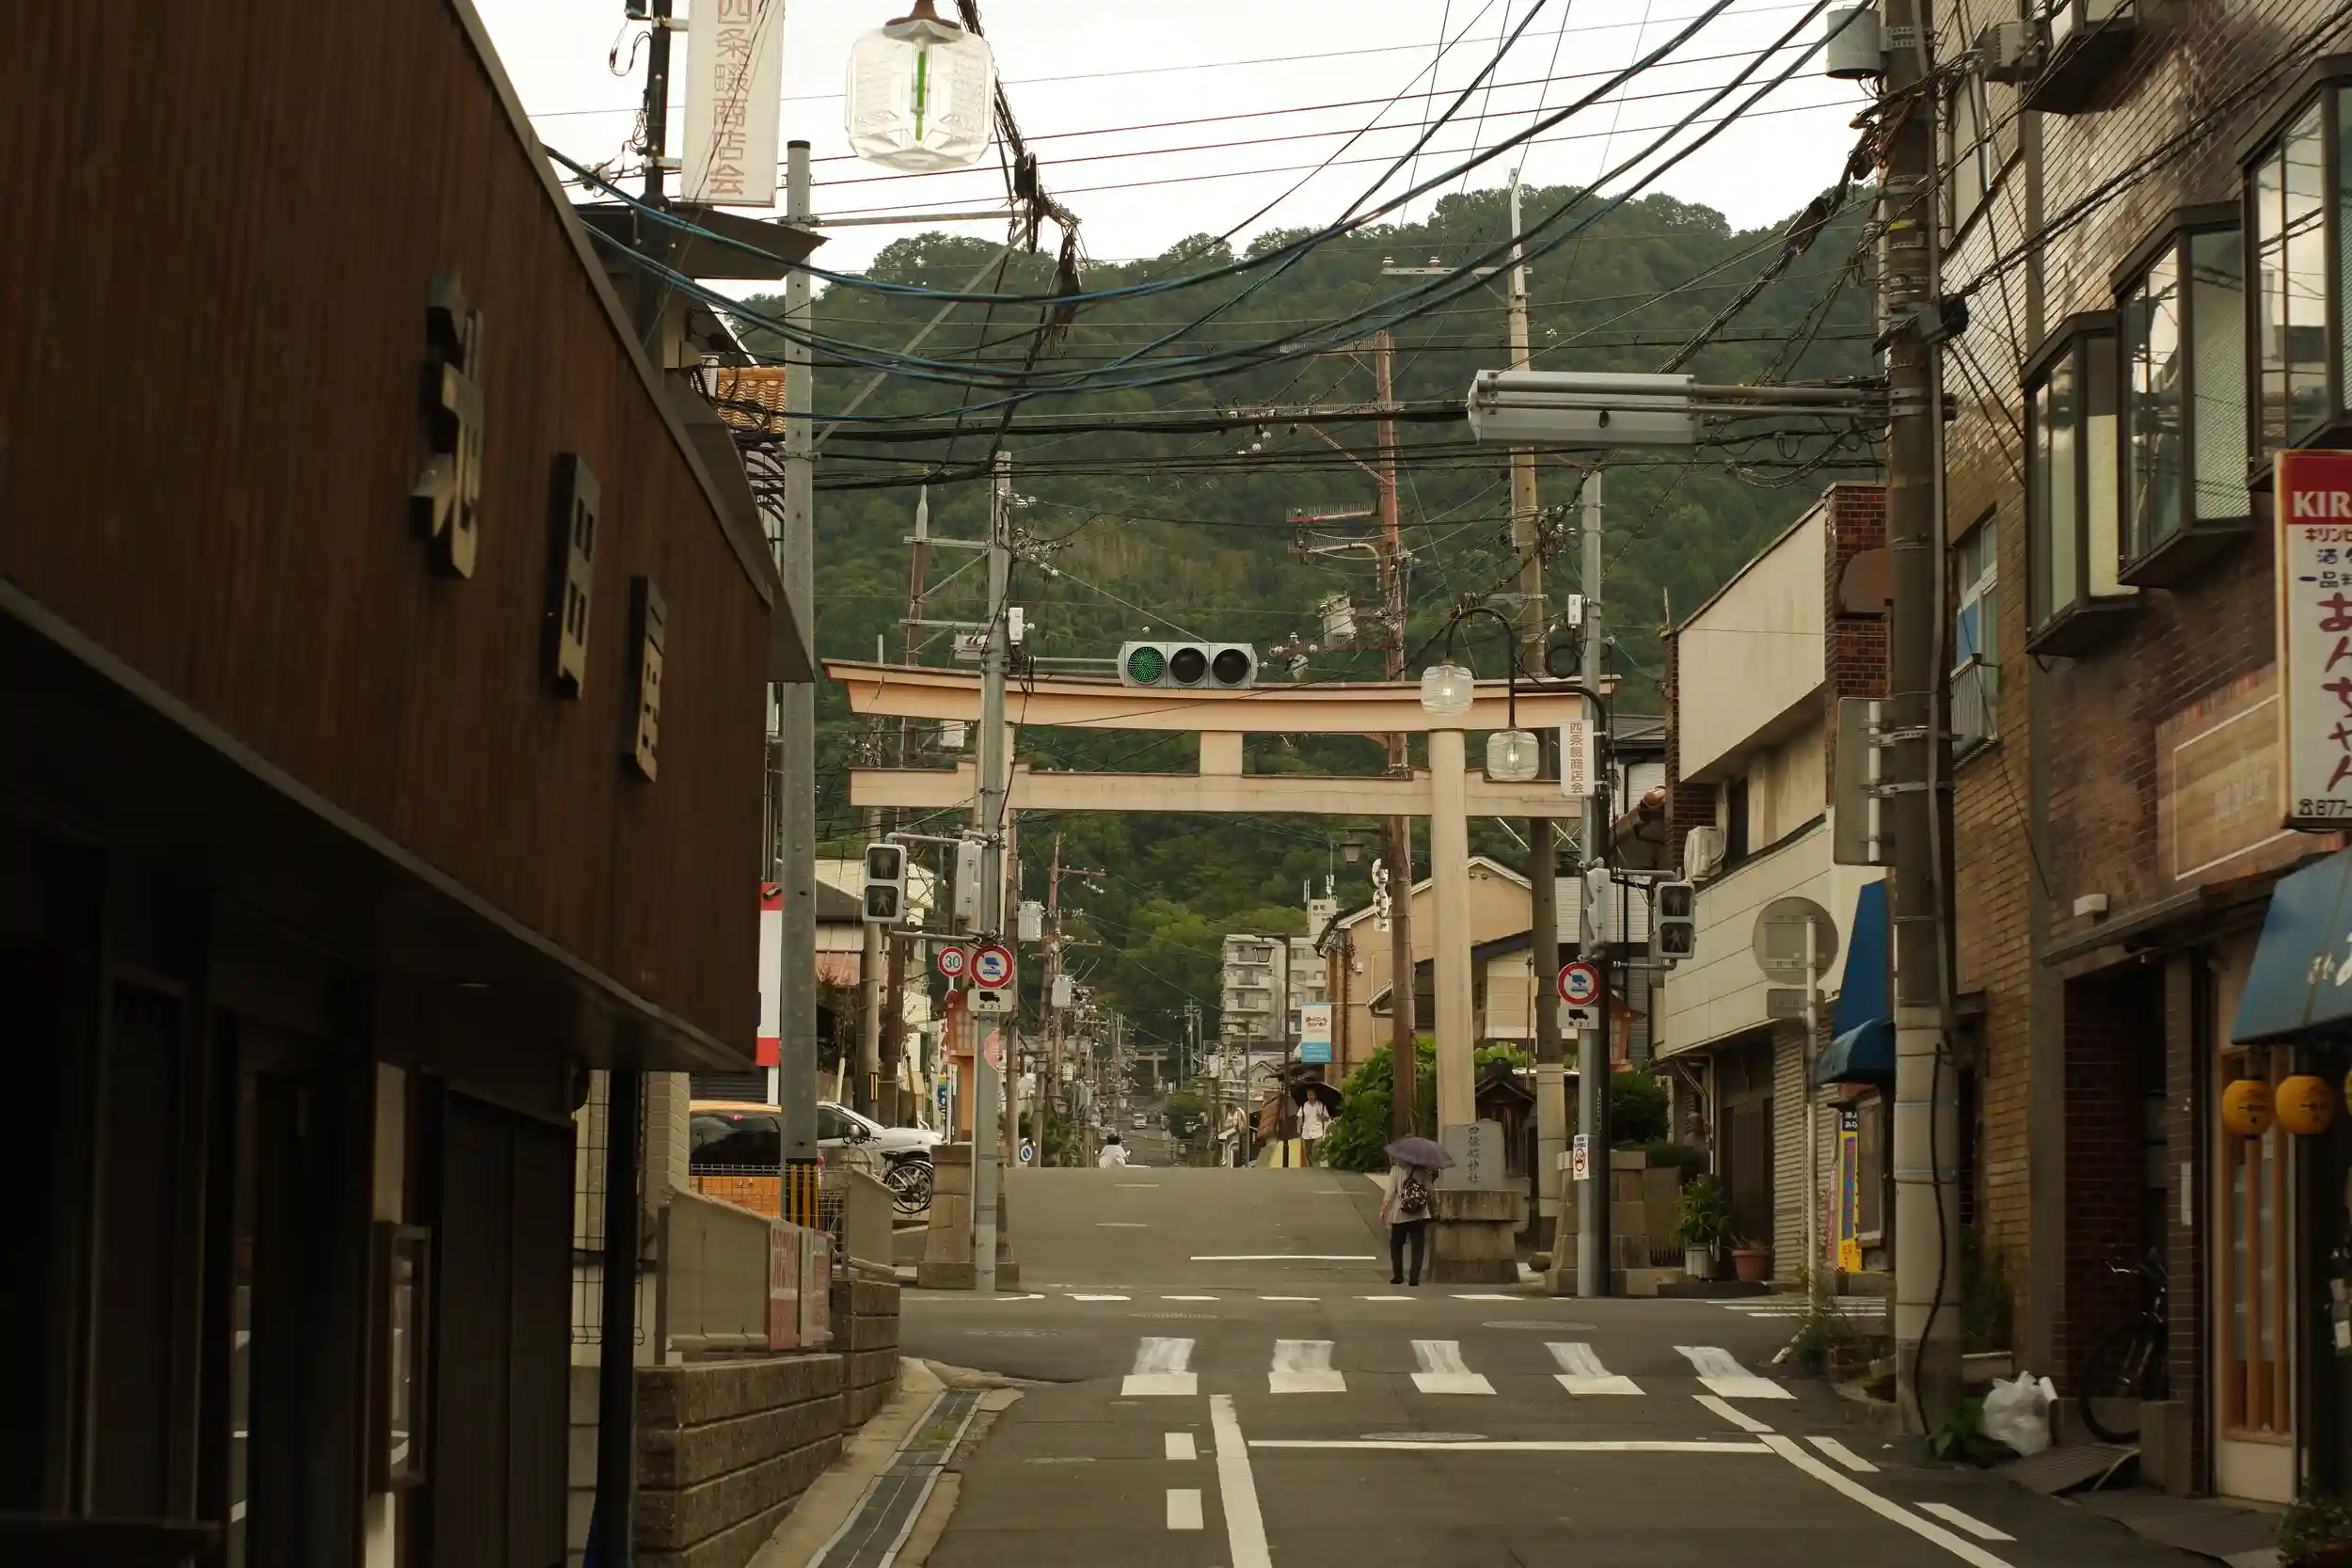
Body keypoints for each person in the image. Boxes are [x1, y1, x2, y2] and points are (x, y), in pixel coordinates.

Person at [1378, 1157, 1437, 1285]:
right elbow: (1430, 1190)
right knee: (1418, 1246)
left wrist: (1383, 1210)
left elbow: (1390, 1193)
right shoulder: (1422, 1169)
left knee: (1396, 1245)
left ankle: (1398, 1276)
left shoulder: (1396, 1170)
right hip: (1419, 1213)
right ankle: (1414, 1278)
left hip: (1400, 1213)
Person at [1297, 1096, 1329, 1166]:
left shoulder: (1321, 1105)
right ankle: (1310, 1168)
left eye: (1311, 1094)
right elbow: (1300, 1117)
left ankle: (1316, 1168)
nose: (1310, 1096)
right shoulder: (1304, 1106)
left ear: (1315, 1095)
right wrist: (1298, 1129)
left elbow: (1327, 1118)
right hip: (1306, 1133)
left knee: (1315, 1150)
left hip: (1318, 1133)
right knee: (1308, 1153)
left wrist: (1321, 1117)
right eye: (1308, 1094)